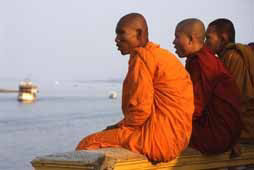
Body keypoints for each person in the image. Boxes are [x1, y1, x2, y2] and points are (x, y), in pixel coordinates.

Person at [76, 13, 195, 163]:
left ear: (139, 34)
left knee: (88, 143)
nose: (116, 39)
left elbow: (140, 111)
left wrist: (118, 127)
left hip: (157, 142)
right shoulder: (164, 56)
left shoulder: (143, 58)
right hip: (179, 140)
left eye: (121, 33)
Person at [173, 18, 242, 154]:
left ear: (190, 39)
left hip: (215, 136)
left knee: (160, 130)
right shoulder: (207, 58)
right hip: (228, 133)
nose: (173, 42)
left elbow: (195, 106)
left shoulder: (200, 61)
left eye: (177, 37)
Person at [206, 18, 254, 143]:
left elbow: (235, 98)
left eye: (209, 37)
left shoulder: (233, 57)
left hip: (243, 126)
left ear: (223, 38)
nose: (206, 42)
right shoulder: (223, 58)